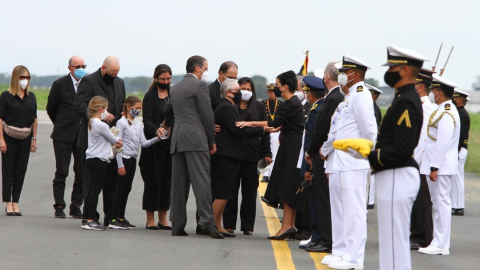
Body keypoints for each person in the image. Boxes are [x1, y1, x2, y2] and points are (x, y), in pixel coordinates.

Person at [368, 45, 427, 269]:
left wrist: (370, 155)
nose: (389, 71)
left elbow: (404, 147)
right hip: (394, 174)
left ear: (403, 70)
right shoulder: (404, 96)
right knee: (392, 241)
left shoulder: (406, 100)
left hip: (397, 173)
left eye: (392, 67)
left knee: (394, 242)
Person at [320, 55, 377, 270]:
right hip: (341, 161)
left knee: (354, 212)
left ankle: (355, 258)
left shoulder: (361, 96)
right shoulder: (350, 97)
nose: (341, 75)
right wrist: (325, 149)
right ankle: (342, 251)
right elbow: (338, 131)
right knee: (342, 211)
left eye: (344, 72)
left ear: (354, 74)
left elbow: (369, 130)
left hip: (354, 161)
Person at [236, 70, 305, 240]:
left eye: (278, 85)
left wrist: (249, 122)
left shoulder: (291, 103)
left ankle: (287, 226)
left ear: (285, 86)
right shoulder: (291, 102)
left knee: (288, 185)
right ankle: (288, 225)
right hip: (290, 144)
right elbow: (280, 125)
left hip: (292, 147)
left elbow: (274, 122)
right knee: (287, 185)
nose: (276, 88)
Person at [164, 55, 223, 239]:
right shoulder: (200, 85)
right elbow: (207, 115)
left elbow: (168, 111)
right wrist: (211, 140)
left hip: (178, 138)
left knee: (178, 184)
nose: (205, 72)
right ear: (197, 68)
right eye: (205, 69)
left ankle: (177, 224)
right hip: (195, 138)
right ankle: (207, 222)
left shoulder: (175, 87)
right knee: (202, 182)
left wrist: (167, 124)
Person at [211, 79, 272, 237]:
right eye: (238, 90)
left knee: (234, 191)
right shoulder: (226, 107)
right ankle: (209, 223)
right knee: (224, 192)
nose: (241, 93)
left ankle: (218, 225)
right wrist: (261, 129)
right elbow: (238, 129)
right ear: (228, 92)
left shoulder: (232, 106)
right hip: (226, 155)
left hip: (242, 154)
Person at [74, 56, 126, 226]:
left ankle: (110, 217)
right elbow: (79, 106)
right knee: (92, 184)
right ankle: (90, 216)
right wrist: (99, 117)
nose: (113, 77)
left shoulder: (119, 83)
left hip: (110, 142)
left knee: (111, 182)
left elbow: (121, 106)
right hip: (92, 141)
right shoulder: (89, 81)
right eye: (111, 73)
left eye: (116, 74)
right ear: (103, 68)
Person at [304, 61, 343, 253]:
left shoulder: (335, 97)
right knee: (322, 198)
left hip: (325, 153)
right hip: (324, 152)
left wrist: (311, 151)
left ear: (326, 77)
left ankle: (326, 239)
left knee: (323, 199)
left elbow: (322, 130)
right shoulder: (334, 96)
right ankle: (323, 237)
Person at [419, 74, 460, 256]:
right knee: (438, 204)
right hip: (438, 166)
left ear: (439, 92)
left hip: (440, 167)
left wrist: (434, 167)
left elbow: (443, 142)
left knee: (441, 205)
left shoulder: (446, 112)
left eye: (433, 91)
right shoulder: (441, 109)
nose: (431, 94)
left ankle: (441, 243)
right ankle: (438, 241)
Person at [109, 96, 160, 230]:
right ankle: (113, 218)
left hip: (132, 158)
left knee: (127, 189)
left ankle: (121, 217)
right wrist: (120, 164)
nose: (138, 111)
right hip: (123, 158)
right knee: (120, 188)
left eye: (139, 108)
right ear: (128, 107)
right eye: (136, 108)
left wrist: (158, 138)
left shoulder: (138, 123)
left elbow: (143, 142)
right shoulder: (122, 122)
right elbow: (117, 144)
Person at [46, 56, 86, 218]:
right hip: (63, 134)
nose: (81, 68)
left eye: (83, 65)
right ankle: (59, 205)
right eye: (77, 66)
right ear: (70, 68)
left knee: (82, 172)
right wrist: (61, 123)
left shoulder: (87, 84)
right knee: (62, 171)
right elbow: (51, 108)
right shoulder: (60, 84)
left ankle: (76, 205)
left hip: (82, 134)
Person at [139, 64, 174, 230]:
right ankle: (150, 218)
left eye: (168, 79)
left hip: (170, 145)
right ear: (156, 78)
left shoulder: (173, 94)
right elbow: (146, 120)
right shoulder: (150, 96)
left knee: (167, 181)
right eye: (162, 79)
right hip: (153, 145)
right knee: (153, 181)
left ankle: (163, 218)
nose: (166, 81)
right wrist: (156, 129)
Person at [0, 65, 38, 216]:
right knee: (8, 169)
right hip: (9, 136)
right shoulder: (6, 96)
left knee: (21, 169)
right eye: (22, 77)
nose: (25, 80)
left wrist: (34, 139)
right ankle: (8, 202)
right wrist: (1, 139)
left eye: (28, 77)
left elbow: (34, 119)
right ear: (16, 78)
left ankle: (16, 201)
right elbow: (0, 118)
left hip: (25, 137)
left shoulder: (32, 97)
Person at [82, 96, 123, 230]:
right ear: (101, 109)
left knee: (90, 190)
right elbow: (115, 140)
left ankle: (87, 218)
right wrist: (118, 140)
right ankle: (90, 219)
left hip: (90, 158)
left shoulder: (92, 122)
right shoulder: (101, 124)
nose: (107, 111)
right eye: (106, 109)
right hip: (99, 160)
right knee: (95, 190)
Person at [297, 76, 326, 249]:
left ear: (310, 93)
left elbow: (311, 141)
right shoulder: (320, 107)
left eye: (306, 91)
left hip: (314, 161)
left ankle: (316, 235)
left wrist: (307, 168)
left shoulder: (316, 109)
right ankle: (315, 235)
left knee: (315, 202)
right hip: (316, 160)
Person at [410, 68, 436, 250]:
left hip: (420, 161)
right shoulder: (417, 105)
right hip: (414, 160)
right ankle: (415, 234)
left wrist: (415, 160)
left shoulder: (426, 107)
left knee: (422, 202)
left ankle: (424, 237)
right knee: (413, 200)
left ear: (419, 87)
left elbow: (423, 138)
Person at [451, 89, 470, 216]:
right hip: (460, 149)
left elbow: (461, 134)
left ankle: (458, 206)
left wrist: (456, 151)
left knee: (457, 178)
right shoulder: (460, 112)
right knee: (456, 178)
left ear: (458, 100)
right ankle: (456, 205)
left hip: (460, 149)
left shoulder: (461, 114)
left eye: (454, 98)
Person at [261, 84, 283, 182]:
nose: (272, 94)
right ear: (268, 92)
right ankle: (265, 173)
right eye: (270, 92)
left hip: (277, 130)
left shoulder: (282, 104)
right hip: (266, 130)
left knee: (276, 151)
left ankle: (273, 173)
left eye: (274, 92)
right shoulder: (263, 103)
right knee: (266, 151)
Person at [366, 83, 383, 210]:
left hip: (371, 143)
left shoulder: (373, 108)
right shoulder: (374, 108)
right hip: (374, 143)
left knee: (370, 174)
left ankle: (370, 200)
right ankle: (370, 200)